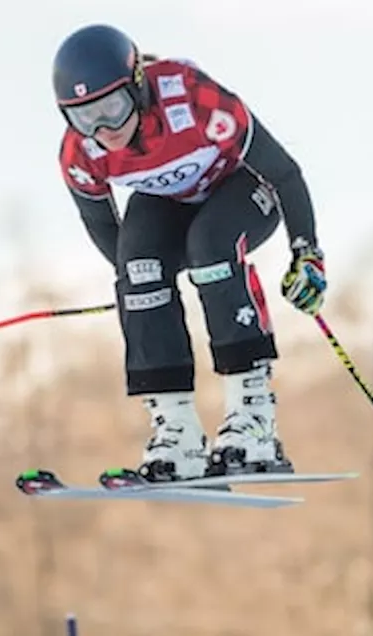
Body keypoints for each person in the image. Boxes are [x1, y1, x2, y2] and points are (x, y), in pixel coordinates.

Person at [53, 23, 327, 483]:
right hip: (170, 201)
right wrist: (144, 294)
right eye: (84, 118)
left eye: (113, 109)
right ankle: (177, 431)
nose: (104, 129)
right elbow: (107, 231)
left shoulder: (194, 99)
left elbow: (284, 173)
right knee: (138, 269)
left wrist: (307, 254)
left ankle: (253, 421)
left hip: (241, 187)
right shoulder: (81, 153)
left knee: (211, 250)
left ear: (137, 87)